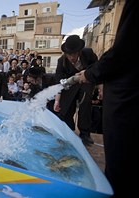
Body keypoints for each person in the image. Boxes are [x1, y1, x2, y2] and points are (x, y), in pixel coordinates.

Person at [77, 0, 138, 197]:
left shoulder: (88, 54)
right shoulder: (62, 61)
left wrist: (93, 76)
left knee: (122, 160)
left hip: (122, 95)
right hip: (92, 83)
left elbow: (122, 52)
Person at [54, 35, 98, 146]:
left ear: (79, 52)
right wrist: (57, 101)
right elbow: (59, 82)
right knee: (66, 105)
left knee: (85, 101)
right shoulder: (61, 61)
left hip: (86, 82)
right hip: (70, 85)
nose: (71, 57)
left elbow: (97, 69)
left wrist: (99, 85)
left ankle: (84, 133)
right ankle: (68, 131)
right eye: (69, 55)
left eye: (73, 54)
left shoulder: (88, 54)